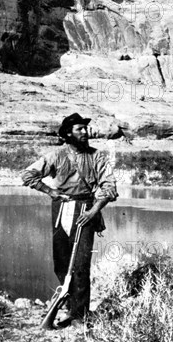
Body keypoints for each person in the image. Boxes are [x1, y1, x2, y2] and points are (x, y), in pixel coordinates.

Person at [21, 113, 118, 327]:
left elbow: (109, 188)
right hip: (61, 209)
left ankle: (80, 316)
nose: (85, 133)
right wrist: (49, 191)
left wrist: (94, 211)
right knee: (62, 263)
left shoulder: (97, 156)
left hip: (86, 210)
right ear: (67, 134)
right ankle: (70, 306)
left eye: (85, 129)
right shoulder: (55, 155)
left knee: (81, 264)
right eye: (79, 129)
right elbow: (28, 175)